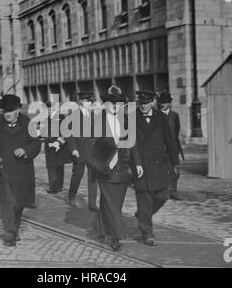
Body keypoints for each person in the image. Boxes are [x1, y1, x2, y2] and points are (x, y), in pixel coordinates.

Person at [0, 95, 41, 246]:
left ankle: (14, 228)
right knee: (7, 201)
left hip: (22, 170)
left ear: (18, 109)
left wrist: (26, 150)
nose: (7, 114)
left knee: (19, 202)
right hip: (2, 170)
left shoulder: (28, 122)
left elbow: (36, 144)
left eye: (11, 111)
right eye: (5, 111)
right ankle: (10, 232)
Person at [88, 87, 142, 251]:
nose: (115, 107)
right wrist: (102, 166)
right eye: (112, 104)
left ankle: (101, 230)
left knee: (113, 204)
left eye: (118, 104)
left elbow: (133, 144)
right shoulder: (97, 122)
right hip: (106, 170)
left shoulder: (126, 121)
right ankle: (116, 236)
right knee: (111, 203)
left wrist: (137, 163)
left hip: (123, 170)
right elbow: (89, 151)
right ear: (105, 105)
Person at [133, 90, 180, 246]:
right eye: (141, 103)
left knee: (162, 196)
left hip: (159, 164)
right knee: (144, 200)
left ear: (153, 102)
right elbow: (129, 144)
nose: (143, 106)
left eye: (146, 103)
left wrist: (175, 163)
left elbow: (170, 140)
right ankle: (147, 234)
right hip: (141, 165)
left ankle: (142, 215)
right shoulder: (132, 117)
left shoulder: (161, 117)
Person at [67, 91, 98, 211]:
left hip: (91, 152)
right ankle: (72, 196)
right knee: (78, 175)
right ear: (80, 102)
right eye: (86, 101)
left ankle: (92, 204)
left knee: (93, 177)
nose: (88, 103)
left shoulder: (94, 115)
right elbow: (68, 134)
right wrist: (73, 149)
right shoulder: (74, 115)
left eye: (90, 101)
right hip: (78, 151)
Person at [158, 91, 184, 200]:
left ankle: (173, 192)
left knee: (175, 171)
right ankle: (161, 192)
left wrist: (174, 145)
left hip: (172, 148)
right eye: (161, 103)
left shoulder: (174, 116)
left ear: (169, 103)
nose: (162, 105)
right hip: (159, 148)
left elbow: (176, 130)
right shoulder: (156, 115)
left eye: (164, 103)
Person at [42, 102, 71, 194]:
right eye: (48, 109)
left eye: (52, 108)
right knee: (51, 166)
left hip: (59, 144)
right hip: (49, 145)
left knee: (59, 165)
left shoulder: (61, 118)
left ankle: (58, 185)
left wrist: (58, 142)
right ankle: (54, 187)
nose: (50, 110)